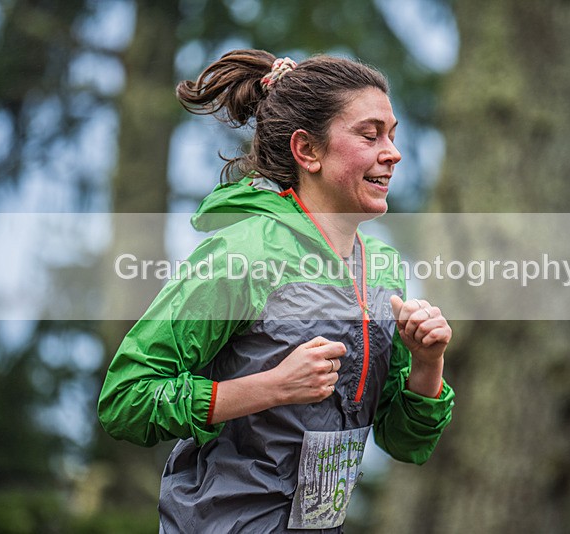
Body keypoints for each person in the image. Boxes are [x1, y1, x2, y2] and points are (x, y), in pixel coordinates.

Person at [98, 49, 455, 533]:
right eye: (370, 135)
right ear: (307, 151)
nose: (392, 152)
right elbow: (127, 400)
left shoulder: (385, 270)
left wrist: (427, 362)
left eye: (392, 136)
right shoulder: (244, 254)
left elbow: (403, 441)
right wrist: (271, 387)